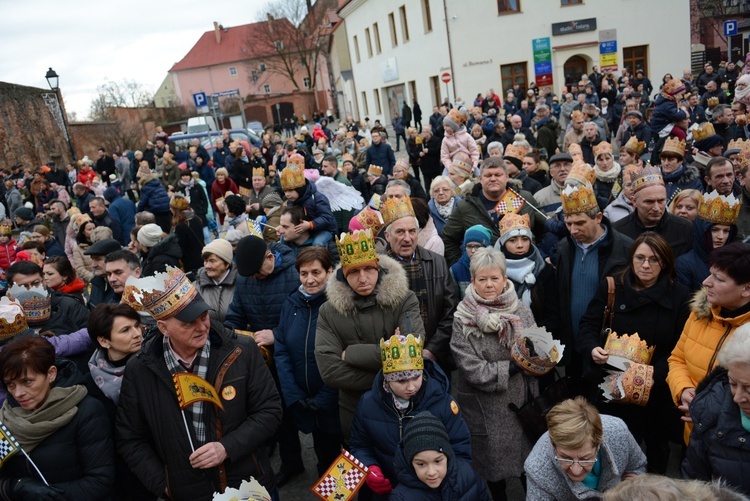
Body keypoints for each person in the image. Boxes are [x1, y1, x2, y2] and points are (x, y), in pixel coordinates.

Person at [116, 267, 283, 500]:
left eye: (203, 316)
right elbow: (130, 438)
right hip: (188, 492)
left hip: (247, 484)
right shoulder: (140, 369)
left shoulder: (241, 350)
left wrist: (227, 447)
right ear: (163, 328)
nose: (202, 327)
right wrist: (163, 483)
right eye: (187, 323)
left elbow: (270, 410)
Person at [577, 232, 690, 474]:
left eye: (654, 259)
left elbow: (680, 346)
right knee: (612, 450)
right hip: (612, 387)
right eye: (640, 258)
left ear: (665, 263)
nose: (646, 265)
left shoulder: (679, 295)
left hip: (654, 391)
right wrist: (592, 349)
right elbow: (588, 324)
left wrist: (651, 377)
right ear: (631, 259)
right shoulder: (612, 286)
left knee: (656, 451)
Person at [450, 247, 544, 500]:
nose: (489, 285)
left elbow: (538, 345)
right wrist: (511, 367)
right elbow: (470, 367)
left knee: (530, 466)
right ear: (473, 281)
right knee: (494, 471)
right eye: (482, 279)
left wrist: (542, 357)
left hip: (523, 405)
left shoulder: (520, 310)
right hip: (486, 407)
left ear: (505, 279)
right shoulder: (463, 318)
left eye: (494, 278)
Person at [315, 229, 424, 439]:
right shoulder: (328, 312)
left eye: (368, 269)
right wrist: (392, 362)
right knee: (365, 464)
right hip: (356, 412)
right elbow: (329, 370)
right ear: (344, 275)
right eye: (354, 272)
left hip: (404, 410)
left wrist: (352, 354)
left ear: (379, 268)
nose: (363, 278)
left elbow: (412, 349)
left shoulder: (404, 299)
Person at [224, 236, 304, 487]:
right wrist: (227, 335)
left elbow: (305, 319)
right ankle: (288, 459)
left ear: (270, 257)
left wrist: (276, 335)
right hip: (264, 359)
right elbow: (236, 314)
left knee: (298, 412)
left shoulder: (294, 273)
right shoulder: (246, 278)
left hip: (293, 356)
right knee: (274, 412)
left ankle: (307, 464)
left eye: (259, 272)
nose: (256, 277)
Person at [349, 333, 471, 499]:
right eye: (401, 382)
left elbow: (460, 449)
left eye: (416, 377)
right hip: (387, 490)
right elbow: (359, 445)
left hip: (432, 491)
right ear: (387, 379)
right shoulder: (368, 404)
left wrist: (442, 480)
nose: (411, 387)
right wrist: (370, 468)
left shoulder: (443, 403)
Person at [0, 335, 114, 499]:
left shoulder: (86, 411)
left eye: (27, 382)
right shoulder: (5, 417)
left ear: (51, 374)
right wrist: (15, 487)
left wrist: (45, 496)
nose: (18, 393)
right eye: (10, 384)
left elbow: (100, 481)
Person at [667, 242, 750, 444]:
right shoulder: (700, 313)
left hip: (734, 443)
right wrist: (683, 390)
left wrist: (704, 408)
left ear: (746, 289)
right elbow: (677, 359)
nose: (706, 282)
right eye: (710, 273)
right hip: (694, 435)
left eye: (718, 279)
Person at [273, 247, 343, 478]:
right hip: (304, 398)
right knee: (324, 455)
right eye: (304, 273)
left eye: (316, 272)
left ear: (329, 271)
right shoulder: (292, 303)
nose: (310, 280)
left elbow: (345, 355)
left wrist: (326, 396)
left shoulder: (339, 304)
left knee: (344, 457)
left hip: (335, 400)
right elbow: (281, 348)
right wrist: (292, 393)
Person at [555, 179, 633, 377]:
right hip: (572, 346)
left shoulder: (624, 248)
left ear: (598, 217)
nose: (573, 230)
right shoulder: (565, 247)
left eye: (580, 223)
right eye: (569, 223)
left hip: (608, 348)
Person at [381, 195, 457, 372]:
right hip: (393, 358)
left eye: (412, 231)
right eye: (400, 232)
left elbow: (450, 311)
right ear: (387, 235)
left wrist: (432, 350)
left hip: (434, 357)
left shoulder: (437, 262)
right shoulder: (377, 268)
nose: (407, 238)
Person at [86, 303, 153, 500]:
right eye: (125, 330)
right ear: (104, 341)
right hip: (120, 474)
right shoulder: (90, 381)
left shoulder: (154, 364)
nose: (137, 334)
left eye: (137, 326)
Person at [524, 397, 646, 500]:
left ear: (599, 445)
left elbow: (637, 467)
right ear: (553, 446)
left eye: (585, 459)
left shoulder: (618, 432)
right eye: (566, 458)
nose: (576, 471)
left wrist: (630, 491)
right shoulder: (537, 469)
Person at [682, 323, 750, 495]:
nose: (737, 398)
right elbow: (693, 485)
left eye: (749, 389)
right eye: (733, 384)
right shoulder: (712, 410)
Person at [442, 156, 546, 266]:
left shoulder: (524, 199)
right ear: (480, 178)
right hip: (485, 274)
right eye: (488, 175)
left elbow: (545, 229)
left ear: (506, 177)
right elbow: (448, 238)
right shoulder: (466, 206)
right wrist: (462, 265)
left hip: (525, 269)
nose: (493, 179)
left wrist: (539, 256)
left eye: (498, 175)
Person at [390, 412, 491, 500]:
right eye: (421, 464)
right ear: (410, 463)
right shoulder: (401, 498)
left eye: (437, 461)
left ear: (448, 456)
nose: (431, 472)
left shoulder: (467, 473)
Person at [613, 165, 693, 258]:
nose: (656, 208)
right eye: (649, 202)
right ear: (634, 201)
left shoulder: (684, 228)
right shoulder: (618, 231)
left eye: (661, 201)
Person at [494, 213, 557, 330]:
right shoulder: (495, 272)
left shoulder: (543, 270)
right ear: (503, 243)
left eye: (525, 239)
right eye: (512, 240)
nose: (520, 245)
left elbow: (553, 314)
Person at [676, 191, 740, 292]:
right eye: (714, 230)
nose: (721, 236)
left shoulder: (737, 261)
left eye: (726, 231)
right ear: (702, 232)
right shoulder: (684, 264)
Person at [280, 155, 337, 247]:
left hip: (324, 230)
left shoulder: (317, 198)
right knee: (284, 238)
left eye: (290, 190)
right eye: (285, 191)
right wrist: (283, 227)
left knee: (317, 243)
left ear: (300, 189)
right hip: (306, 230)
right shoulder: (291, 201)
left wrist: (310, 224)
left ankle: (322, 260)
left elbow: (327, 218)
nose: (287, 194)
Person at [193, 239, 237, 325]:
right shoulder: (196, 286)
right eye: (205, 261)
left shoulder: (240, 284)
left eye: (212, 261)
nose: (207, 266)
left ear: (227, 264)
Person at [170, 194, 205, 274]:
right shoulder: (196, 218)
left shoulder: (180, 226)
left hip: (190, 262)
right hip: (201, 256)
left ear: (175, 209)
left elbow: (180, 248)